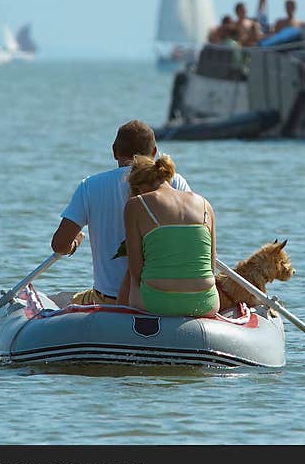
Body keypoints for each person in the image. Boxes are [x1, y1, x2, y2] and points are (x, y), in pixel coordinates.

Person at [51, 120, 191, 306]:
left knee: (68, 301)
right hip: (165, 298)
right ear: (154, 152)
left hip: (111, 300)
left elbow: (60, 245)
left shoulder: (90, 186)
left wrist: (75, 242)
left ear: (114, 151)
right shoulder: (175, 182)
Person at [122, 154, 219, 317]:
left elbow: (136, 270)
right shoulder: (205, 204)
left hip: (156, 303)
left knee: (131, 281)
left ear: (138, 187)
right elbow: (211, 266)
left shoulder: (136, 204)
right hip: (205, 302)